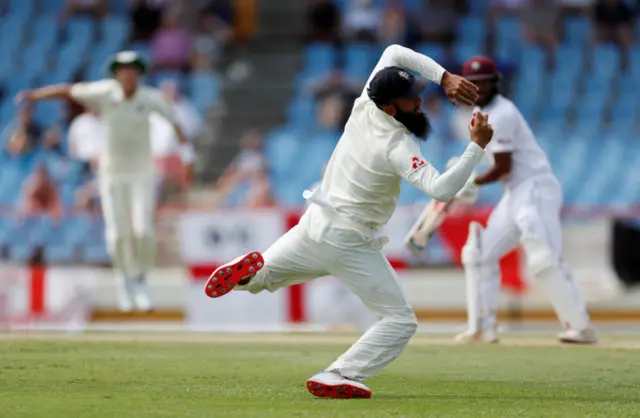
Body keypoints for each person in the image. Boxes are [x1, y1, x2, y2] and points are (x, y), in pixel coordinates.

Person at [204, 44, 489, 399]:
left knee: (261, 279)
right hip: (350, 240)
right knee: (400, 321)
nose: (418, 102)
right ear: (389, 107)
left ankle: (240, 269)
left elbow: (393, 51)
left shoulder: (364, 104)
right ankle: (340, 373)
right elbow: (442, 189)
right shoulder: (396, 145)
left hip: (314, 225)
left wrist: (443, 78)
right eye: (409, 99)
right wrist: (476, 147)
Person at [15, 51, 195, 313]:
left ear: (139, 73)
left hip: (142, 173)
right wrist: (35, 95)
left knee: (143, 232)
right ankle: (125, 282)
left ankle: (140, 279)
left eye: (133, 68)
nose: (128, 73)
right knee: (117, 236)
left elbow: (176, 126)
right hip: (111, 174)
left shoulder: (151, 98)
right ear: (116, 73)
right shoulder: (104, 92)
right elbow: (68, 91)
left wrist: (187, 159)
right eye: (122, 69)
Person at [453, 56, 597, 345]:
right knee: (479, 253)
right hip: (515, 191)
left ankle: (579, 327)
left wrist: (471, 181)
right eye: (473, 84)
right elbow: (491, 161)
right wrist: (462, 172)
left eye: (484, 83)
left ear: (495, 82)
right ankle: (482, 327)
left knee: (543, 259)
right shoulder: (479, 111)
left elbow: (503, 167)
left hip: (536, 188)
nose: (478, 89)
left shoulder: (503, 113)